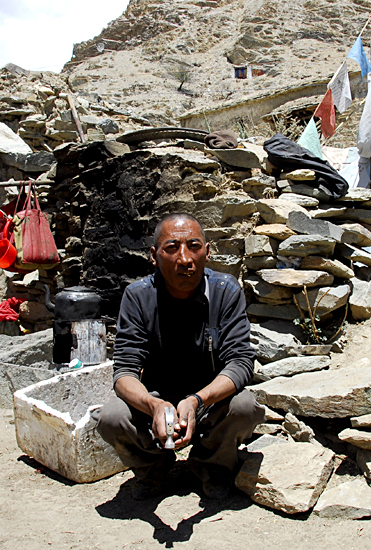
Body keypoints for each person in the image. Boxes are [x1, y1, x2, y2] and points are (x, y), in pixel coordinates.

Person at [94, 212, 265, 500]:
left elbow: (240, 362)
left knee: (245, 406)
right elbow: (124, 372)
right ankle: (153, 467)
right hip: (157, 402)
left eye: (193, 247)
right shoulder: (137, 297)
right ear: (154, 256)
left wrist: (197, 400)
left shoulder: (225, 291)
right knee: (112, 417)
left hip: (209, 402)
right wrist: (153, 405)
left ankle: (211, 466)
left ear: (207, 253)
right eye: (172, 248)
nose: (184, 259)